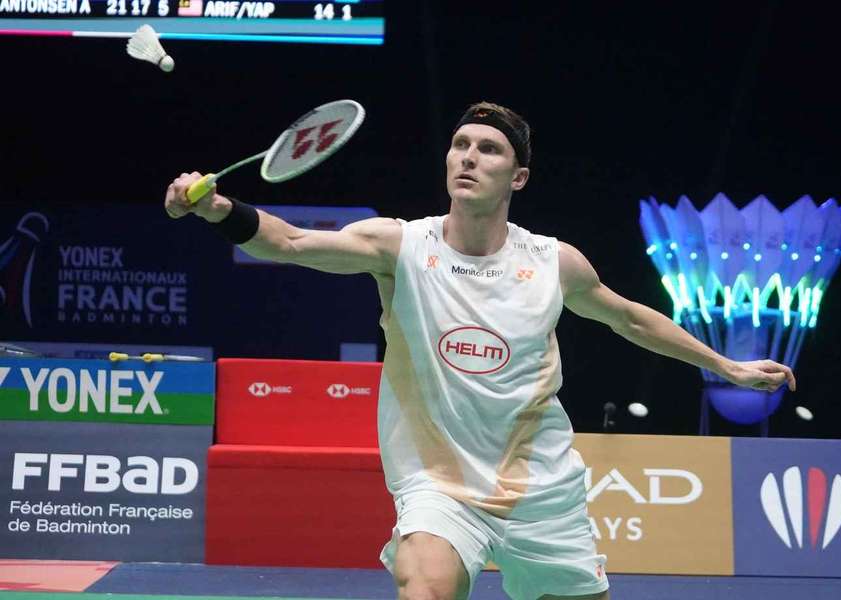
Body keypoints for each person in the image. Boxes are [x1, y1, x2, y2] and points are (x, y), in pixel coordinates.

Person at [165, 101, 796, 600]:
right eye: (460, 145)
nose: (469, 157)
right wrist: (221, 209)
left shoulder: (553, 263)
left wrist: (727, 365)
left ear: (517, 176)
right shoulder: (400, 247)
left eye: (488, 149)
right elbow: (292, 243)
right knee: (426, 584)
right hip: (439, 484)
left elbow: (629, 319)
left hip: (538, 485)